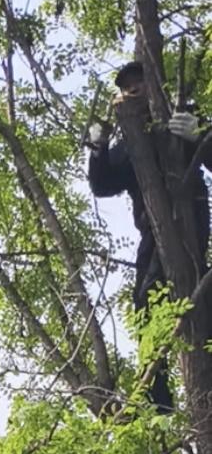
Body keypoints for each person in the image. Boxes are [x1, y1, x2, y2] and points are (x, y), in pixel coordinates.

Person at [87, 61, 209, 411]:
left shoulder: (180, 116)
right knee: (144, 303)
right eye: (128, 88)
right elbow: (103, 184)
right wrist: (97, 149)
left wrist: (199, 135)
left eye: (139, 82)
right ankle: (158, 399)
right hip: (152, 232)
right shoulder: (129, 144)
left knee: (180, 291)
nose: (135, 90)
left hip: (190, 221)